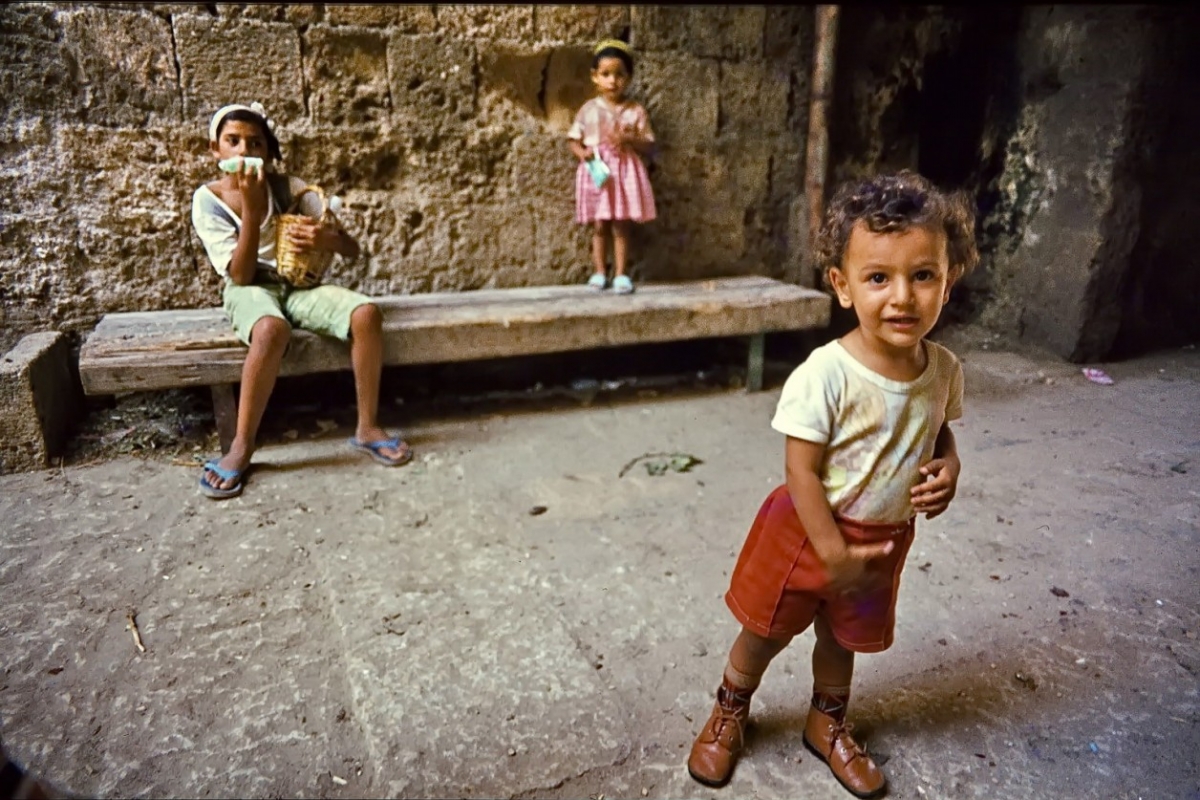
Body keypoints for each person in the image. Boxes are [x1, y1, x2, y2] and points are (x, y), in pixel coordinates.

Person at [686, 171, 979, 797]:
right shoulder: (827, 374)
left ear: (948, 281)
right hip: (805, 532)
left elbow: (939, 432)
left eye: (922, 275)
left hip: (881, 539)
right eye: (878, 278)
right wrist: (833, 552)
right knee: (764, 631)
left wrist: (949, 468)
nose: (902, 296)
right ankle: (731, 710)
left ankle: (827, 721)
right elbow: (800, 471)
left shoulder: (944, 370)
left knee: (841, 638)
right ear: (842, 287)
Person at [191, 102, 413, 500]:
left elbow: (352, 250)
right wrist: (254, 212)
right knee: (271, 328)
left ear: (268, 152)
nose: (244, 151)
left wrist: (326, 239)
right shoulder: (208, 200)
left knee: (365, 314)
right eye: (233, 141)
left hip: (298, 285)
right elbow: (239, 274)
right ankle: (241, 445)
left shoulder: (289, 188)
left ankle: (367, 426)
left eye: (255, 142)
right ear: (215, 150)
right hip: (249, 287)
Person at [567, 39, 657, 295]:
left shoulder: (635, 111)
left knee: (621, 224)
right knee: (599, 224)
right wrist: (584, 154)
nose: (612, 81)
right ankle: (598, 271)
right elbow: (574, 139)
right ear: (595, 77)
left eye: (619, 74)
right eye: (605, 74)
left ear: (628, 78)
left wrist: (630, 139)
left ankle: (620, 273)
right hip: (598, 171)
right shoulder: (588, 110)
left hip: (624, 171)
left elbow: (650, 144)